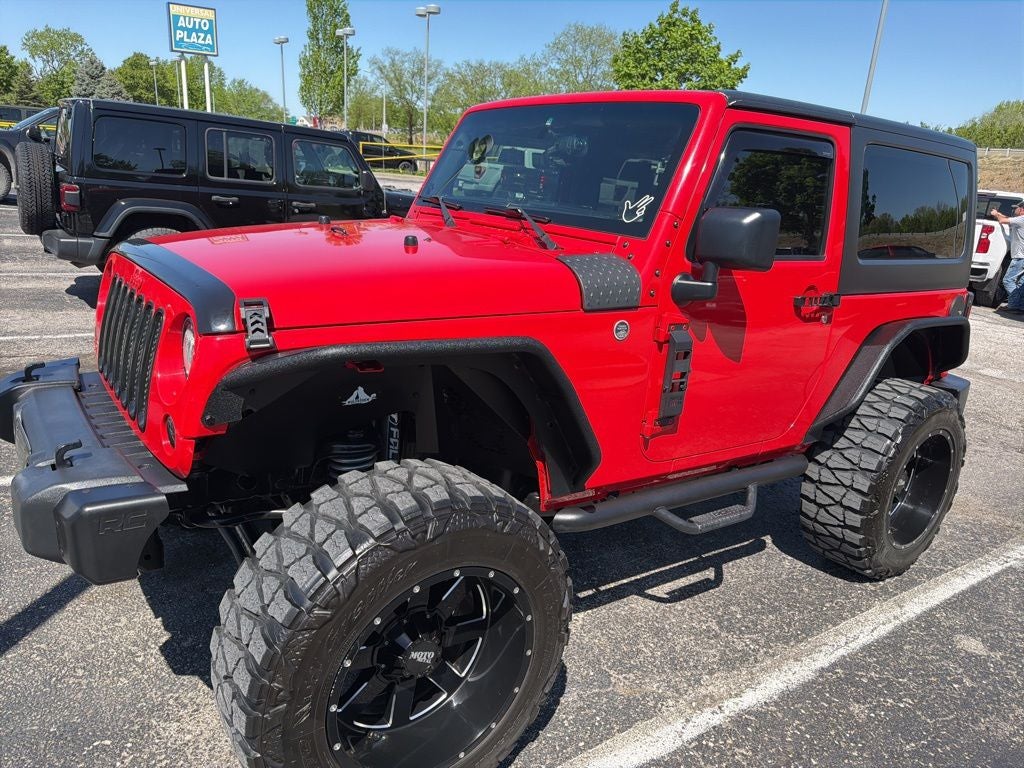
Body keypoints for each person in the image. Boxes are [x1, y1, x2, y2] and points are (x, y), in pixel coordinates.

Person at [990, 200, 1024, 314]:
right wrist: (998, 213)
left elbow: (1003, 220)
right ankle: (1020, 306)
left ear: (1022, 210)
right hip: (1022, 257)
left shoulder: (1021, 219)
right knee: (1020, 284)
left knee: (1008, 280)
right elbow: (1007, 217)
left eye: (1016, 208)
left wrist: (995, 214)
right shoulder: (1020, 220)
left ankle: (1014, 305)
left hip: (1020, 257)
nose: (1015, 209)